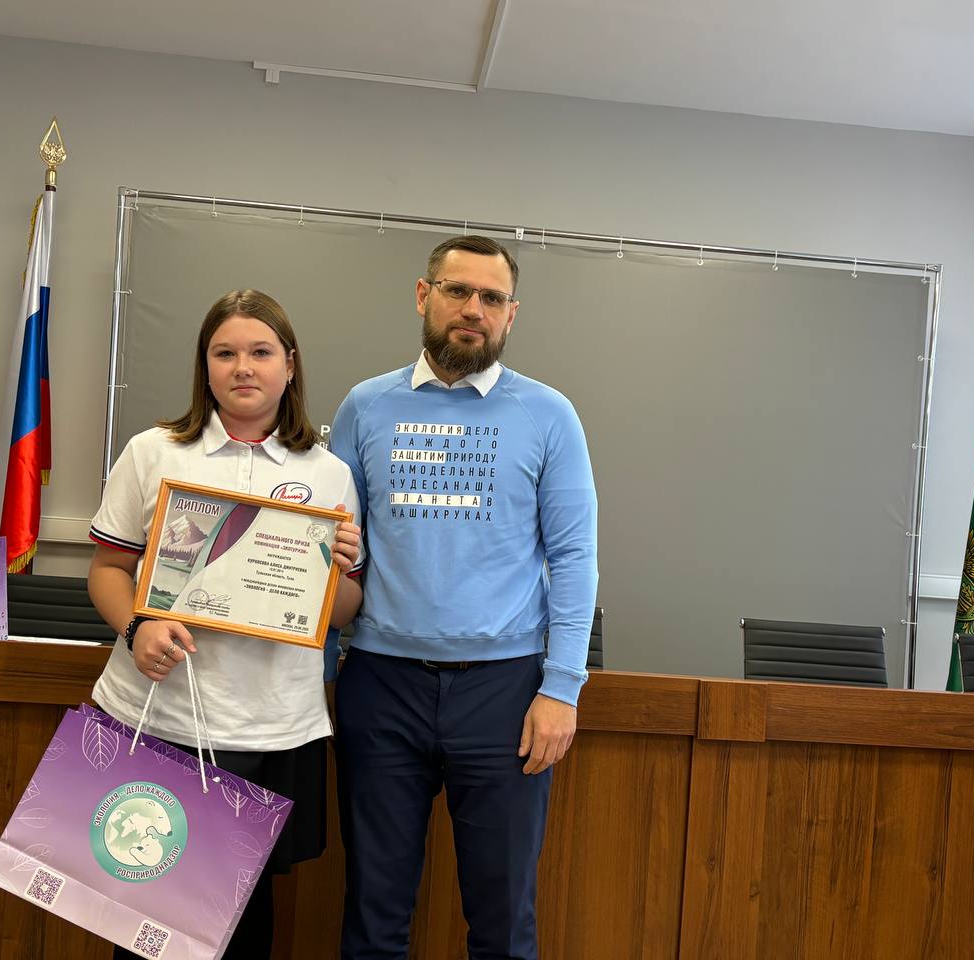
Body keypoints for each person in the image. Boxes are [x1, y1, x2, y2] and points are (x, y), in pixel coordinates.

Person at [330, 235, 599, 959]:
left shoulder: (549, 415)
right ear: (424, 297)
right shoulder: (364, 407)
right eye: (457, 291)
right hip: (380, 686)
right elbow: (331, 555)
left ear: (512, 314)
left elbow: (575, 558)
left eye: (491, 297)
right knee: (372, 915)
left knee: (503, 922)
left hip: (505, 695)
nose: (473, 309)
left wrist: (562, 688)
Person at [86, 289, 363, 960]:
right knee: (146, 912)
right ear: (204, 366)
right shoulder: (153, 452)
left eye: (261, 352)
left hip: (272, 727)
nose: (243, 367)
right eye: (225, 353)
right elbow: (107, 569)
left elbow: (346, 610)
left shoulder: (328, 474)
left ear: (290, 365)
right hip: (161, 717)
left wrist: (333, 573)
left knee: (244, 919)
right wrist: (137, 628)